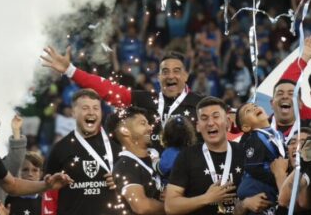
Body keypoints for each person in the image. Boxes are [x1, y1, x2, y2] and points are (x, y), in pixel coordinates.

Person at [41, 47, 204, 149]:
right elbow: (108, 89)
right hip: (150, 183)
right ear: (159, 77)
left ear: (186, 76)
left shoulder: (201, 105)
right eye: (165, 72)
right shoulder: (145, 100)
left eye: (176, 71)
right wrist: (70, 70)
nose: (170, 76)